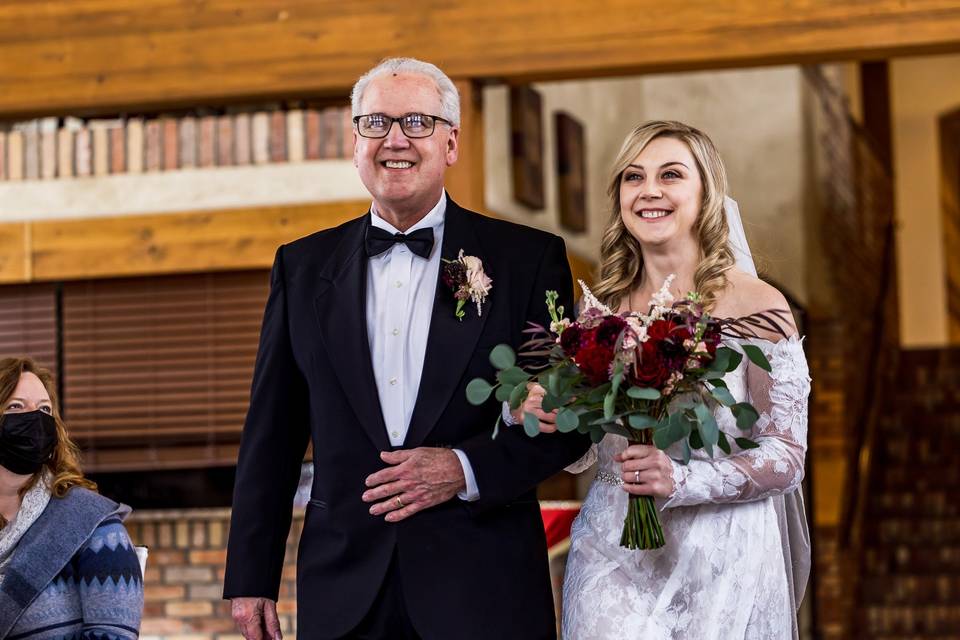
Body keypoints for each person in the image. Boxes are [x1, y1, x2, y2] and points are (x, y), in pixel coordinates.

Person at [223, 57, 590, 640]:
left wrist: (462, 468)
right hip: (343, 591)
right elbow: (272, 433)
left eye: (417, 122)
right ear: (355, 142)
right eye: (376, 123)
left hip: (482, 587)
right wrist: (251, 576)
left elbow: (567, 420)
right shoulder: (301, 266)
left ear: (451, 143)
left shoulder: (527, 260)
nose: (395, 140)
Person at [517, 121, 811, 639]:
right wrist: (546, 414)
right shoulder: (595, 313)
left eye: (670, 175)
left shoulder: (759, 307)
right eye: (634, 177)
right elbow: (589, 447)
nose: (649, 190)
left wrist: (681, 481)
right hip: (613, 549)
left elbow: (786, 455)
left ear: (706, 193)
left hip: (722, 553)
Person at [0, 356, 143, 638]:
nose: (36, 419)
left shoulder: (92, 524)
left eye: (45, 409)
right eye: (16, 406)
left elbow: (113, 634)